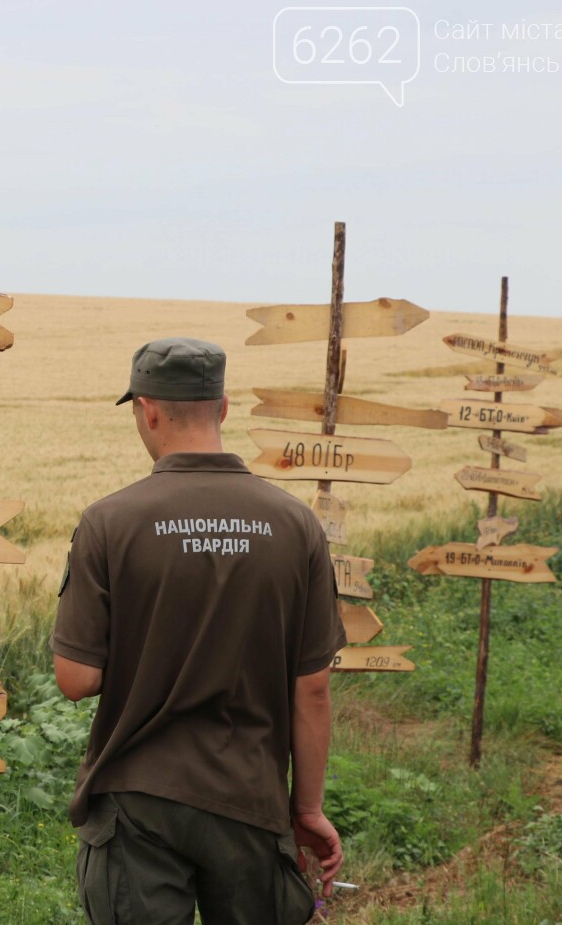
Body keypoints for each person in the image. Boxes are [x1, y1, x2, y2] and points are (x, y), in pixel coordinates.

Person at [50, 337, 346, 924]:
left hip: (138, 800)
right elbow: (312, 689)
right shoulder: (296, 525)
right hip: (250, 800)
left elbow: (77, 679)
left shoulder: (109, 522)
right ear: (224, 408)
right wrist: (306, 809)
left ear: (147, 409)